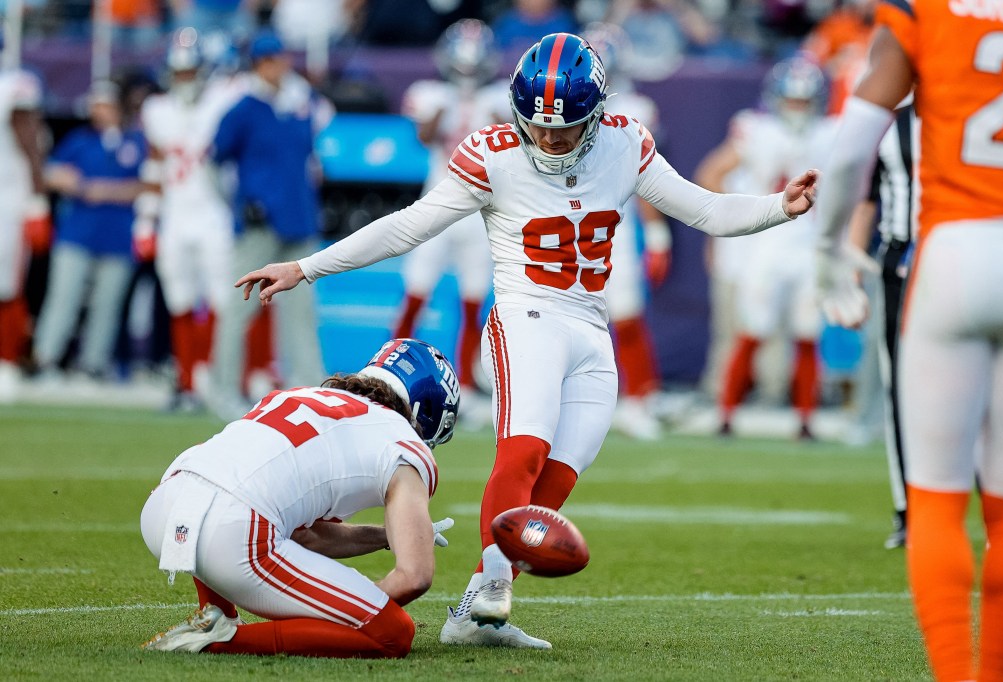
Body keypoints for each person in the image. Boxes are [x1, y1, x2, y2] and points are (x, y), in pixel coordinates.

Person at [236, 32, 818, 648]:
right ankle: (489, 597)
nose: (548, 140)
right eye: (538, 127)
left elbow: (705, 210)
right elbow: (408, 226)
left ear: (596, 114)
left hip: (592, 331)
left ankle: (475, 617)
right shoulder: (494, 154)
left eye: (565, 128)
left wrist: (778, 206)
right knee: (521, 456)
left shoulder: (625, 141)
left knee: (557, 482)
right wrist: (306, 267)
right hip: (527, 317)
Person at [814, 4, 1003, 680]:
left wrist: (826, 247)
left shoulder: (923, 10)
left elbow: (854, 141)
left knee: (932, 497)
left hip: (953, 252)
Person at [140, 338, 460, 658]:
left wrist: (384, 537)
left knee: (230, 484)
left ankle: (213, 614)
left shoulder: (297, 394)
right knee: (393, 633)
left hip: (164, 509)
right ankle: (221, 641)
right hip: (232, 532)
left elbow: (304, 534)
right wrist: (358, 614)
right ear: (429, 412)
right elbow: (415, 577)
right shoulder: (406, 445)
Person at [696, 58, 836, 440]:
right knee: (751, 330)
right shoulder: (755, 130)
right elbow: (711, 173)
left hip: (809, 246)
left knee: (807, 334)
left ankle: (806, 419)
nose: (797, 109)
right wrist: (736, 215)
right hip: (767, 243)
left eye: (804, 102)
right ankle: (726, 414)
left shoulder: (830, 133)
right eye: (792, 100)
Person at [206, 30, 333, 421]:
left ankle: (310, 385)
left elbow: (310, 159)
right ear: (259, 65)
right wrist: (237, 205)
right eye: (272, 60)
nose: (281, 66)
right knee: (238, 310)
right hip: (260, 224)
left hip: (298, 220)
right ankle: (223, 389)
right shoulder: (242, 108)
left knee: (301, 310)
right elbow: (214, 161)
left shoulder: (297, 104)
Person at [392, 18, 503, 417]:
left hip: (477, 213)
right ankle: (387, 374)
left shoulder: (498, 99)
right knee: (415, 292)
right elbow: (422, 136)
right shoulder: (430, 94)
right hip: (437, 204)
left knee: (473, 299)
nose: (468, 73)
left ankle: (469, 384)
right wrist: (441, 113)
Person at [135, 29, 244, 411]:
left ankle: (212, 377)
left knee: (220, 298)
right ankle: (186, 382)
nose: (185, 78)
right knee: (179, 299)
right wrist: (145, 222)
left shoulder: (223, 102)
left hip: (216, 213)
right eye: (179, 72)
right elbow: (153, 166)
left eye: (191, 70)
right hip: (175, 215)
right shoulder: (157, 111)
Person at [582, 22, 672, 440]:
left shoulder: (636, 107)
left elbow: (646, 179)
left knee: (627, 316)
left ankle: (640, 398)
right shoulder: (559, 102)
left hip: (614, 226)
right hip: (561, 222)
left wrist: (656, 236)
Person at [33, 80, 145, 382]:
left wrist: (105, 190)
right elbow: (51, 173)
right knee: (64, 298)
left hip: (118, 235)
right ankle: (47, 358)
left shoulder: (135, 142)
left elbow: (149, 184)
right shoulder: (79, 140)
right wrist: (77, 184)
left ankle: (93, 364)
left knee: (106, 305)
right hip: (77, 233)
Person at [843, 101, 916, 549]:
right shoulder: (889, 123)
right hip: (900, 265)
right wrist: (849, 264)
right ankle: (910, 509)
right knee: (901, 391)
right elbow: (864, 196)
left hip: (957, 256)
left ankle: (1001, 515)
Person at [0, 62, 47, 402]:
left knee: (6, 287)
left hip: (8, 198)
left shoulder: (15, 83)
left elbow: (27, 135)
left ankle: (7, 365)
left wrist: (37, 201)